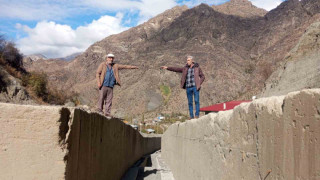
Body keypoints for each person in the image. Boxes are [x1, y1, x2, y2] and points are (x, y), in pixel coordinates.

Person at [96, 53, 138, 118]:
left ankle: (107, 113)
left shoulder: (115, 66)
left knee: (109, 100)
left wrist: (134, 67)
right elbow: (98, 73)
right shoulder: (102, 65)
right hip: (103, 84)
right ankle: (99, 110)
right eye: (109, 58)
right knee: (101, 97)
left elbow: (125, 66)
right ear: (107, 58)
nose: (111, 59)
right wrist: (99, 83)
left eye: (112, 58)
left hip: (111, 86)